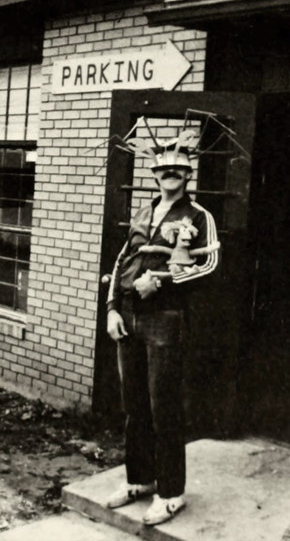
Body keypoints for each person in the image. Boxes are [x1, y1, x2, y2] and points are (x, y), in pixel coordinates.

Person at [105, 135, 220, 525]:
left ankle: (171, 494)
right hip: (129, 317)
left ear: (188, 174)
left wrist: (163, 281)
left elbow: (210, 266)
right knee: (134, 406)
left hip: (165, 321)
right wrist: (112, 309)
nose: (170, 173)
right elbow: (121, 261)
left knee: (163, 408)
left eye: (178, 168)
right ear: (154, 174)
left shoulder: (199, 216)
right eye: (163, 168)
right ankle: (140, 480)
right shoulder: (143, 212)